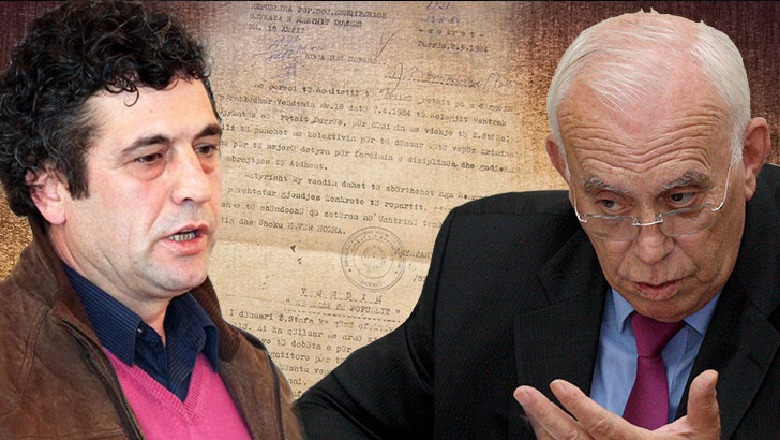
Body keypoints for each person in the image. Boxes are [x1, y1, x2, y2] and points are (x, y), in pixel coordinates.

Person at [296, 10, 779, 439]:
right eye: (609, 203)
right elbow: (330, 417)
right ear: (564, 167)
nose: (650, 249)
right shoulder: (484, 259)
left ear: (749, 156)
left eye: (680, 198)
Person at [0, 1, 302, 439]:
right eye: (150, 158)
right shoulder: (10, 383)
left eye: (205, 149)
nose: (197, 187)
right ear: (50, 189)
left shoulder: (251, 368)